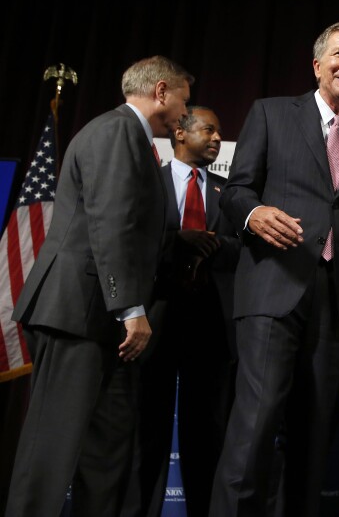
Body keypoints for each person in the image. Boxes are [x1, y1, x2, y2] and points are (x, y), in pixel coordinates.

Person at [210, 21, 339, 517]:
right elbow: (237, 190)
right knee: (255, 428)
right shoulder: (270, 114)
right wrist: (253, 214)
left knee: (315, 441)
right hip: (274, 290)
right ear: (317, 65)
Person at [5, 55, 192, 517]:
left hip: (103, 322)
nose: (186, 113)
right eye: (185, 101)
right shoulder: (115, 131)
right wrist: (130, 307)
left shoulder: (135, 139)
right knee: (53, 446)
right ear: (162, 90)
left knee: (107, 451)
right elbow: (111, 223)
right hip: (79, 313)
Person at [124, 106, 240, 517]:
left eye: (220, 132)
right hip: (153, 319)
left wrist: (214, 243)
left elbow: (243, 250)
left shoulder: (230, 193)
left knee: (207, 433)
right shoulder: (147, 183)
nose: (217, 139)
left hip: (210, 324)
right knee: (146, 427)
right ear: (179, 134)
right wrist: (179, 239)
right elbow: (129, 240)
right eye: (209, 130)